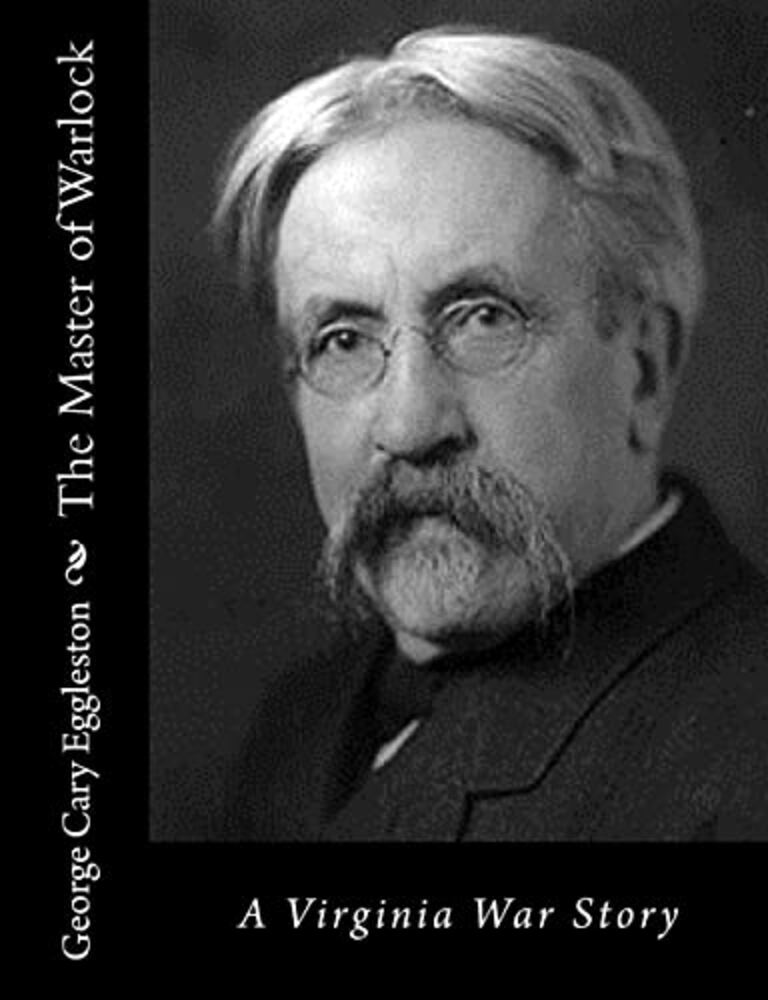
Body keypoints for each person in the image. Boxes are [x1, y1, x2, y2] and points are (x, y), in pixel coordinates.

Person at [208, 26, 767, 841]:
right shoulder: (298, 727)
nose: (409, 426)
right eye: (343, 340)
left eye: (483, 319)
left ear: (645, 367)